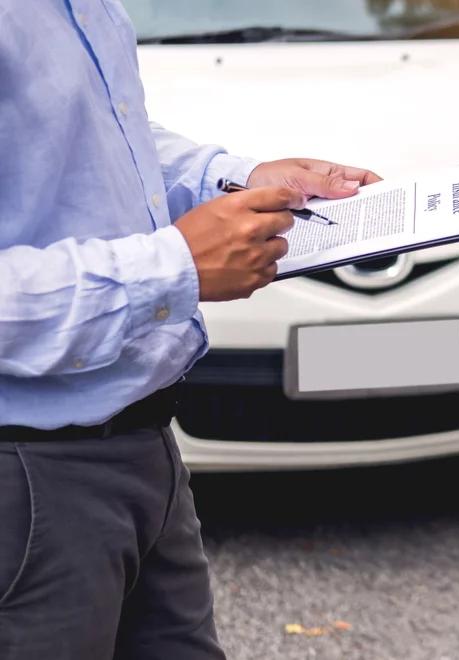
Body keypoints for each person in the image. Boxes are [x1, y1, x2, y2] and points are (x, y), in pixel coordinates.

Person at [0, 2, 381, 658]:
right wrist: (172, 267)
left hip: (143, 444)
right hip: (30, 478)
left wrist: (235, 181)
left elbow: (92, 134)